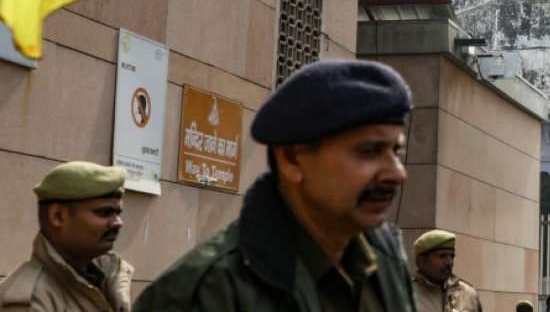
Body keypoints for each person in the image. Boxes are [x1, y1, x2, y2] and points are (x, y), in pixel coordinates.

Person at [134, 60, 418, 311]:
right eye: (368, 151)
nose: (396, 173)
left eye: (396, 151)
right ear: (293, 159)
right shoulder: (204, 292)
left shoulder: (385, 256)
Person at [0, 161, 133, 311]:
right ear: (57, 216)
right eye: (104, 212)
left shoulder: (105, 279)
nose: (117, 223)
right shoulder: (32, 301)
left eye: (117, 213)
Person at [411, 229, 482, 312]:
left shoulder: (468, 294)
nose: (449, 262)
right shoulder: (403, 296)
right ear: (421, 261)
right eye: (442, 256)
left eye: (452, 256)